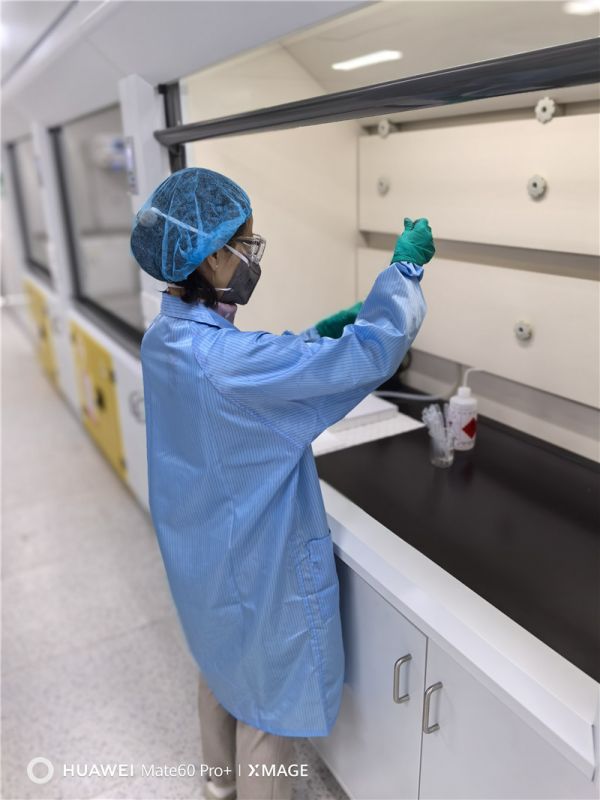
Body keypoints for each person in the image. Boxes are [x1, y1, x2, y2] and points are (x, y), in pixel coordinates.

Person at [130, 167, 434, 800]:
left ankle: (219, 783)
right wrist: (401, 277)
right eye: (247, 243)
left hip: (201, 550)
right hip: (253, 562)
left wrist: (319, 334)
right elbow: (368, 355)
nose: (252, 256)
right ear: (211, 257)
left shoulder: (166, 336)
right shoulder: (225, 361)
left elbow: (261, 366)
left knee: (218, 663)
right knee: (267, 706)